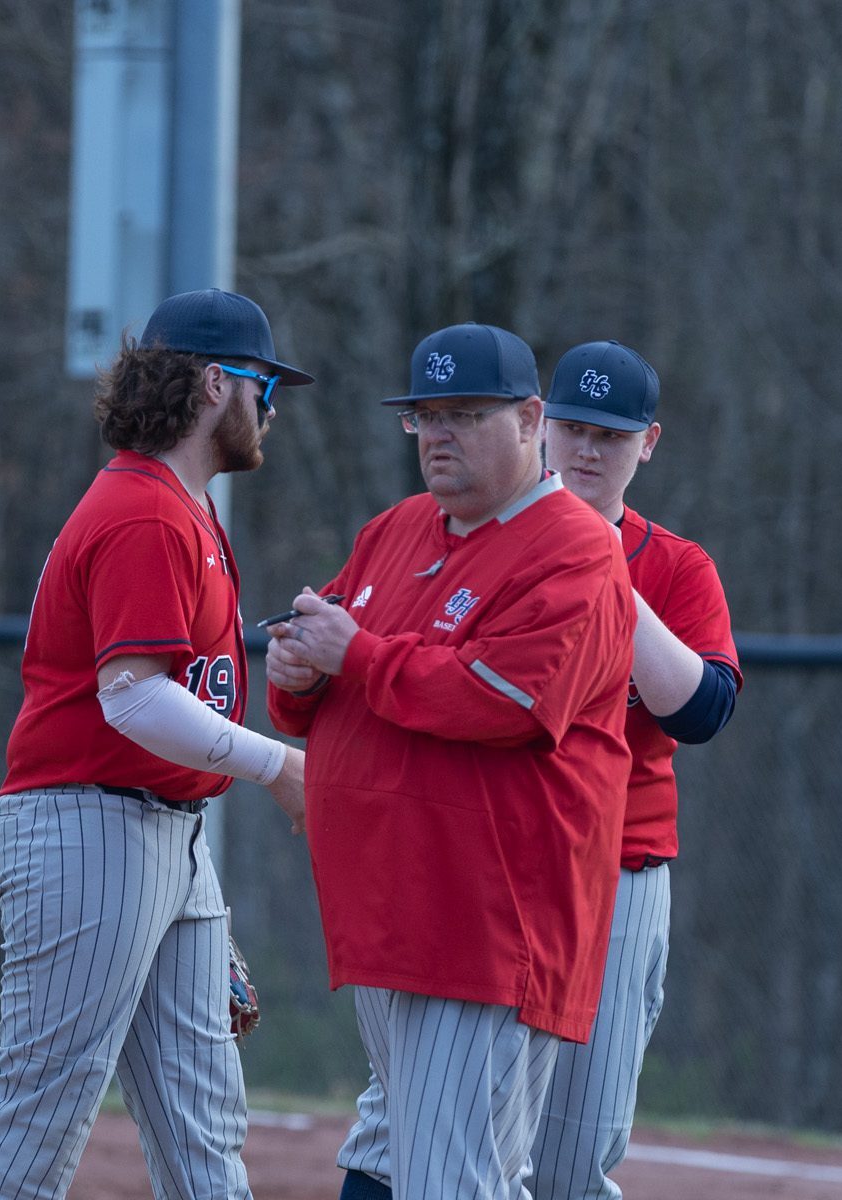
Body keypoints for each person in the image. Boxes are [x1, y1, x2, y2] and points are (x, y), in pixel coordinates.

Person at [0, 289, 311, 1200]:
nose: (271, 406)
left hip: (165, 832)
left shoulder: (182, 508)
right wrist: (275, 763)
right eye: (262, 384)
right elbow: (133, 699)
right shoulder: (146, 511)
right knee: (44, 1105)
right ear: (212, 385)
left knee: (204, 1118)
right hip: (91, 824)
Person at [265, 323, 635, 1200]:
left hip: (488, 924)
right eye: (423, 416)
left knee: (452, 1181)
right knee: (398, 1161)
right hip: (393, 912)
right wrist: (299, 679)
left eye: (466, 414)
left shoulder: (575, 547)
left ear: (532, 420)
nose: (438, 435)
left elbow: (505, 700)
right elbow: (334, 680)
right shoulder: (394, 530)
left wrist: (351, 656)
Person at [531, 341, 741, 1198]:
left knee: (575, 1155)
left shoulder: (676, 565)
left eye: (611, 436)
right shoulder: (473, 537)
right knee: (421, 1122)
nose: (587, 450)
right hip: (497, 862)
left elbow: (700, 712)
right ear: (537, 426)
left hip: (619, 870)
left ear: (647, 443)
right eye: (572, 428)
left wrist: (600, 565)